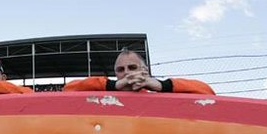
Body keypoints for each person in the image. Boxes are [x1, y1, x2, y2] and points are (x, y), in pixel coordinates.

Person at [63, 48, 215, 95]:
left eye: (132, 67)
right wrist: (112, 86)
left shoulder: (158, 96)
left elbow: (207, 92)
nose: (127, 73)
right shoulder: (107, 96)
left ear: (145, 70)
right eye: (121, 70)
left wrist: (162, 86)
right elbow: (68, 90)